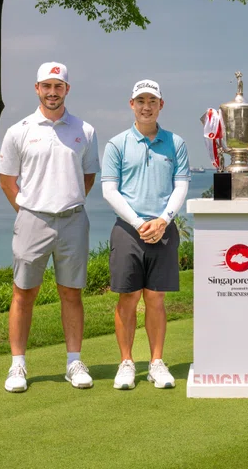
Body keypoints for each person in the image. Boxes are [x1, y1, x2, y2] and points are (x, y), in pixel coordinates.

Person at [0, 62, 100, 393]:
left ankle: (73, 362)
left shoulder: (85, 131)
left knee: (71, 293)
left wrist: (66, 201)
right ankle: (17, 366)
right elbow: (7, 179)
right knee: (23, 293)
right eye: (47, 86)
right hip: (32, 220)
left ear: (67, 89)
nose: (52, 92)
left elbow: (87, 175)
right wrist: (28, 210)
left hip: (73, 219)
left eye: (59, 86)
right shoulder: (19, 130)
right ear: (37, 88)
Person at [101, 79, 190, 390]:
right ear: (131, 104)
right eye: (141, 101)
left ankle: (156, 362)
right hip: (128, 228)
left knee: (156, 297)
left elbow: (180, 186)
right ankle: (126, 362)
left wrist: (164, 219)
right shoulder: (117, 144)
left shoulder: (175, 143)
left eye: (152, 100)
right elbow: (109, 190)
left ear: (161, 105)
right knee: (128, 298)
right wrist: (139, 223)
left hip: (163, 228)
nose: (147, 106)